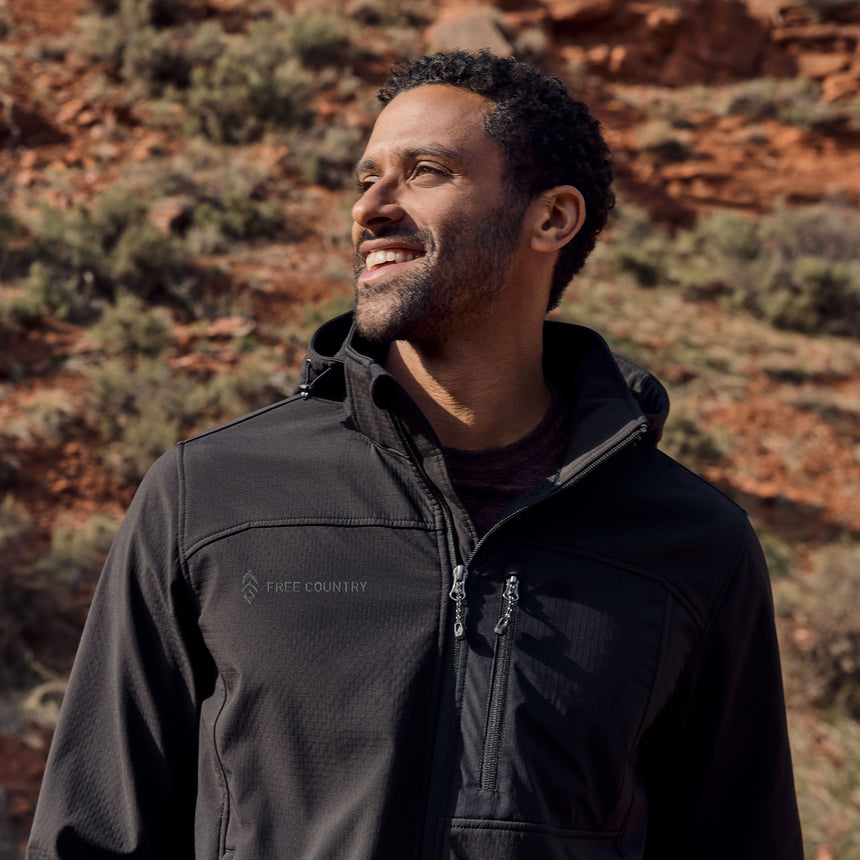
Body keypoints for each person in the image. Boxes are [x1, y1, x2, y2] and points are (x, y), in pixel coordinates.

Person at [27, 51, 802, 859]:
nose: (371, 208)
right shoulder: (212, 497)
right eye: (366, 178)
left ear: (551, 219)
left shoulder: (693, 545)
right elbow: (92, 836)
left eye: (424, 171)